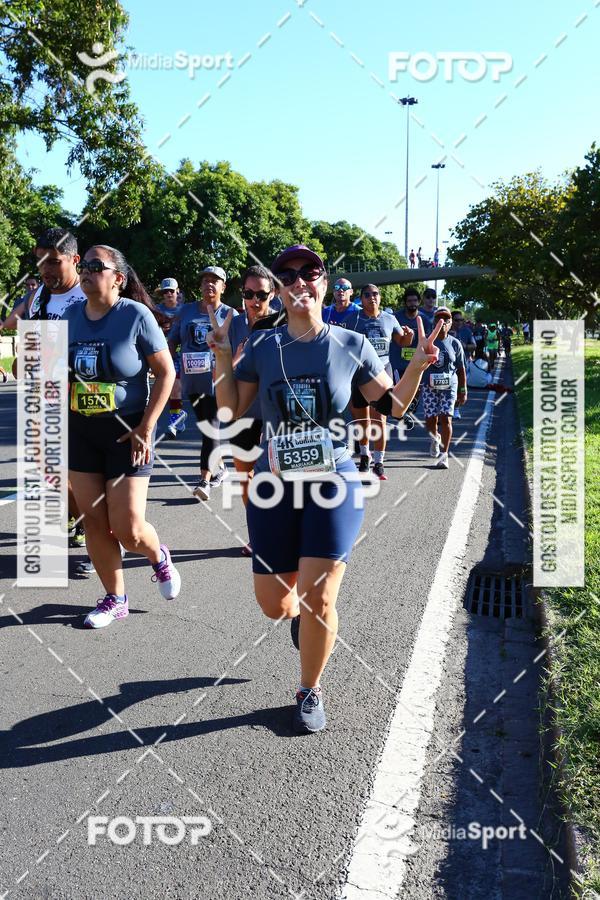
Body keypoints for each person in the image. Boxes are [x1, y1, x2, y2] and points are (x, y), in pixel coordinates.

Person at [207, 244, 441, 734]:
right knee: (275, 603)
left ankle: (309, 687)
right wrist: (224, 355)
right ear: (279, 288)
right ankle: (299, 621)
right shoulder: (265, 348)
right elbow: (231, 409)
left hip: (334, 484)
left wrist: (417, 364)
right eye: (286, 275)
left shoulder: (352, 343)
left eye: (308, 272)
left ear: (323, 281)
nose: (298, 281)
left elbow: (395, 407)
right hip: (274, 487)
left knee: (321, 598)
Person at [63, 245, 180, 628]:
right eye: (86, 264)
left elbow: (166, 374)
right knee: (94, 523)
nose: (88, 270)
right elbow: (58, 375)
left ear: (119, 279)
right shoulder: (69, 317)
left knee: (128, 529)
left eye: (99, 266)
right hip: (81, 431)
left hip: (127, 432)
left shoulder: (135, 316)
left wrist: (147, 427)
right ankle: (115, 598)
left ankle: (158, 556)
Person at [168, 266, 237, 500]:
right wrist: (169, 368)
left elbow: (240, 349)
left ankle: (204, 480)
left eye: (215, 280)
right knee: (206, 426)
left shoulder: (230, 315)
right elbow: (172, 341)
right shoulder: (186, 311)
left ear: (223, 287)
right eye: (205, 280)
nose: (209, 284)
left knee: (211, 428)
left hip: (219, 382)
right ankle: (222, 468)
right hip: (193, 382)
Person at [227, 265, 278, 554]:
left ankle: (278, 531)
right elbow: (218, 378)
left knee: (273, 478)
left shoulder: (283, 324)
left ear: (272, 294)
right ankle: (257, 533)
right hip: (242, 413)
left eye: (261, 294)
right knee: (245, 478)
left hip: (275, 414)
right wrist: (233, 359)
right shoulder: (231, 325)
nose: (255, 300)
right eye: (249, 293)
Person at [353, 284, 413, 479]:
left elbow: (402, 342)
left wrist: (409, 337)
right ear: (361, 299)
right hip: (359, 375)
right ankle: (364, 455)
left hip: (382, 373)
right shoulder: (353, 319)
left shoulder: (389, 319)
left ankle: (379, 462)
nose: (372, 297)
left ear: (380, 298)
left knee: (380, 419)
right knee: (363, 420)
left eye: (376, 294)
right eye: (367, 294)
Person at [422, 306, 467, 470]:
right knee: (430, 419)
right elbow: (417, 365)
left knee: (445, 417)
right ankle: (435, 439)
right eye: (439, 319)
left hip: (449, 385)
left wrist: (463, 390)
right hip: (429, 386)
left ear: (450, 323)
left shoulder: (455, 344)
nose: (443, 322)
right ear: (434, 322)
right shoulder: (426, 341)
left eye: (446, 320)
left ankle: (444, 454)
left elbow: (461, 369)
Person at [156, 277, 187, 439]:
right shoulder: (156, 311)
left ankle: (176, 419)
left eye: (172, 291)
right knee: (167, 389)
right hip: (161, 355)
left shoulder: (185, 311)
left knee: (176, 388)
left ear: (177, 292)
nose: (168, 294)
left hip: (182, 355)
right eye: (165, 291)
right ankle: (177, 416)